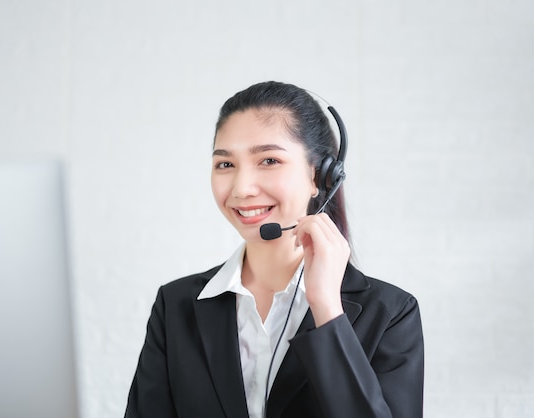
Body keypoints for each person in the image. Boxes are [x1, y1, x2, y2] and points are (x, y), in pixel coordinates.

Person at [124, 81, 424, 418]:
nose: (242, 188)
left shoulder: (389, 314)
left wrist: (326, 308)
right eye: (225, 164)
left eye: (268, 160)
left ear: (321, 177)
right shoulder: (175, 306)